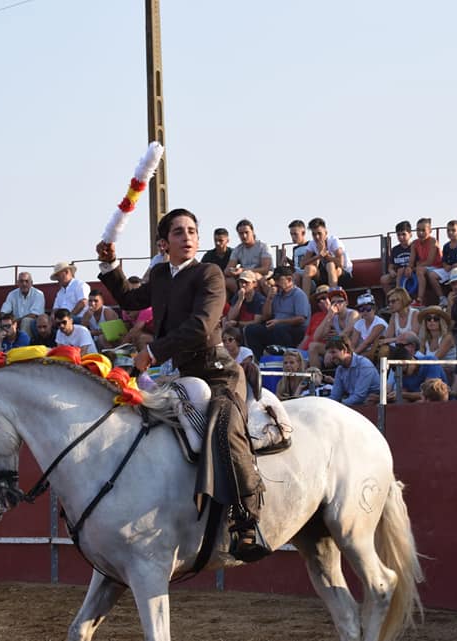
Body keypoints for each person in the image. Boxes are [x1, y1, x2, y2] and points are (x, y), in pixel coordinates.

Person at [97, 207, 269, 562]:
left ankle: (246, 521)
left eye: (192, 231)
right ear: (164, 243)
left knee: (224, 428)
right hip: (180, 376)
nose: (188, 237)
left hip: (217, 373)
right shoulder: (161, 274)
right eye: (179, 232)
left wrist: (153, 352)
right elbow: (130, 299)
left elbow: (202, 325)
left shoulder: (210, 273)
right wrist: (111, 267)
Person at [244, 266, 310, 359]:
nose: (276, 283)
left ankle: (285, 359)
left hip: (295, 330)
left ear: (289, 279)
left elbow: (301, 318)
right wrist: (269, 298)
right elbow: (266, 316)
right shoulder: (277, 294)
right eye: (275, 279)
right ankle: (260, 360)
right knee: (251, 330)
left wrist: (279, 322)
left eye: (278, 280)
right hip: (276, 326)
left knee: (279, 329)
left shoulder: (298, 294)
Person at [384, 335, 448, 403]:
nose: (402, 374)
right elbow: (404, 396)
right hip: (418, 402)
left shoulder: (430, 362)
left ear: (411, 361)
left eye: (404, 372)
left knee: (421, 401)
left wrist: (402, 394)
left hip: (438, 402)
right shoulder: (399, 371)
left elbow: (430, 393)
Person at [299, 217, 353, 295]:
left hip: (343, 274)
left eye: (319, 233)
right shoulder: (312, 244)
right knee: (308, 269)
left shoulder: (334, 241)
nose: (317, 237)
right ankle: (305, 302)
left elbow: (340, 263)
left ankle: (334, 297)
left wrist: (326, 256)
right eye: (314, 234)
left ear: (326, 233)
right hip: (325, 275)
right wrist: (318, 256)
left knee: (330, 265)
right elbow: (302, 264)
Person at [307, 287, 358, 369]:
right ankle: (316, 376)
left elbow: (347, 332)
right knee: (313, 346)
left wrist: (329, 350)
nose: (336, 304)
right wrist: (329, 315)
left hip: (352, 347)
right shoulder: (332, 317)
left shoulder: (353, 314)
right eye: (333, 302)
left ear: (346, 302)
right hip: (338, 347)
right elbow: (316, 337)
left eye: (340, 301)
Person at [426, 220, 457, 307]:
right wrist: (446, 266)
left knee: (455, 272)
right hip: (450, 269)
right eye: (448, 230)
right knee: (432, 275)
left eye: (453, 230)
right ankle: (442, 298)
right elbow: (443, 261)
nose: (450, 232)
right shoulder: (446, 246)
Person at [224, 219, 274, 298]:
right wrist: (233, 271)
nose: (244, 236)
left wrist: (243, 270)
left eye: (246, 232)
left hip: (262, 276)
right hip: (244, 277)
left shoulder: (263, 246)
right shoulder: (237, 249)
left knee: (256, 277)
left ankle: (262, 303)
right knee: (226, 281)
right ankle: (238, 302)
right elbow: (227, 270)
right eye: (241, 233)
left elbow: (265, 269)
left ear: (252, 232)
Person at [328, 335, 381, 406]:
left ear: (345, 350)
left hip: (372, 406)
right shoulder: (340, 369)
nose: (331, 357)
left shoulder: (364, 365)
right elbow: (335, 396)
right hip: (356, 404)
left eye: (333, 352)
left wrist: (338, 406)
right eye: (330, 353)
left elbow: (359, 397)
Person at [0, 271, 45, 339]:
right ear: (18, 283)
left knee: (26, 321)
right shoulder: (12, 294)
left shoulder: (38, 294)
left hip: (32, 323)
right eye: (21, 281)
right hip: (14, 322)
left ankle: (23, 346)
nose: (24, 284)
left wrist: (16, 321)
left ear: (31, 283)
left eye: (26, 281)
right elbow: (4, 311)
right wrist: (3, 318)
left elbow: (34, 315)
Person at [408, 218, 442, 306]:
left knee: (419, 270)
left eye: (423, 230)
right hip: (425, 267)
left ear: (430, 230)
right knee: (404, 272)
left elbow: (430, 261)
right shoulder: (414, 243)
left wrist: (416, 267)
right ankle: (403, 300)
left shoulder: (433, 241)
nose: (420, 233)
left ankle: (420, 299)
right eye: (418, 230)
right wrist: (409, 267)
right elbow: (411, 260)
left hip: (437, 267)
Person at [350, 291, 387, 361]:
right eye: (361, 309)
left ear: (374, 309)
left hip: (380, 354)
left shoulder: (380, 323)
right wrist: (351, 354)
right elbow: (353, 344)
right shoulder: (358, 323)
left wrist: (352, 356)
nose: (365, 311)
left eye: (368, 308)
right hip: (364, 353)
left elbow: (367, 343)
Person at [380, 220, 413, 294]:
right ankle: (391, 299)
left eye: (404, 234)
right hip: (398, 274)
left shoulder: (414, 247)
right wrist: (391, 271)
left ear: (410, 234)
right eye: (398, 235)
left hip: (412, 273)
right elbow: (390, 266)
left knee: (401, 271)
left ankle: (400, 297)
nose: (401, 237)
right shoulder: (395, 249)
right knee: (384, 279)